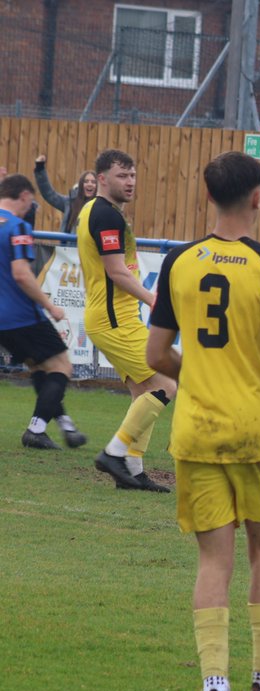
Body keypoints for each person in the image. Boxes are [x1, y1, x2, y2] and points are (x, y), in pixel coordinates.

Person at [146, 150, 260, 691]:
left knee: (211, 563)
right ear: (258, 196)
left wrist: (194, 376)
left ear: (208, 195)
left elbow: (154, 354)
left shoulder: (178, 262)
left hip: (195, 431)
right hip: (254, 431)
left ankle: (214, 688)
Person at [77, 149, 176, 492]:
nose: (130, 182)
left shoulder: (96, 210)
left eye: (133, 175)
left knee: (143, 392)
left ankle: (132, 470)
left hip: (111, 317)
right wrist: (155, 301)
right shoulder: (106, 215)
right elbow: (116, 272)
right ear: (101, 178)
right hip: (113, 319)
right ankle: (114, 453)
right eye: (122, 176)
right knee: (167, 384)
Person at [0, 173, 87, 450]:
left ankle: (65, 425)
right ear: (24, 196)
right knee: (62, 367)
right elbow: (22, 275)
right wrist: (50, 305)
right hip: (21, 315)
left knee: (39, 367)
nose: (30, 207)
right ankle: (36, 429)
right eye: (31, 202)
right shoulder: (18, 227)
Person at [33, 154, 97, 233]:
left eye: (93, 182)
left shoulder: (100, 205)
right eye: (86, 181)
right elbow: (49, 195)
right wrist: (40, 168)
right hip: (68, 245)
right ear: (80, 185)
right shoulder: (70, 202)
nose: (90, 184)